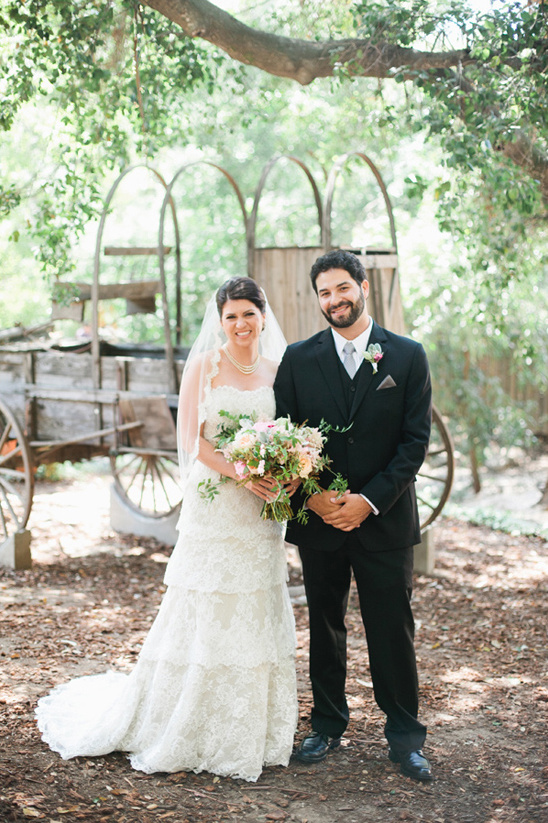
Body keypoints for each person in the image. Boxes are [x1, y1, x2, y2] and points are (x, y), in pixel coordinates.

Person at [36, 277, 298, 782]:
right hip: (217, 502)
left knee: (252, 603)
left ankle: (247, 724)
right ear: (220, 322)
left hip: (262, 507)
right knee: (205, 601)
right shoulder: (204, 366)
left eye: (248, 314)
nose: (241, 325)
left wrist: (281, 470)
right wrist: (243, 471)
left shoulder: (276, 371)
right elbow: (193, 442)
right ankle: (187, 713)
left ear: (264, 316)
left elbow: (285, 432)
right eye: (231, 317)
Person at [273, 249, 433, 781]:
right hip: (319, 520)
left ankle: (405, 738)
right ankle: (326, 724)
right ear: (317, 298)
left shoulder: (407, 357)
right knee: (324, 624)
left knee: (392, 628)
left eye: (343, 288)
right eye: (324, 292)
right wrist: (315, 498)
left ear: (362, 286)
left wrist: (366, 502)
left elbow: (414, 444)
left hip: (383, 521)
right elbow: (285, 437)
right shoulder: (297, 359)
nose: (335, 300)